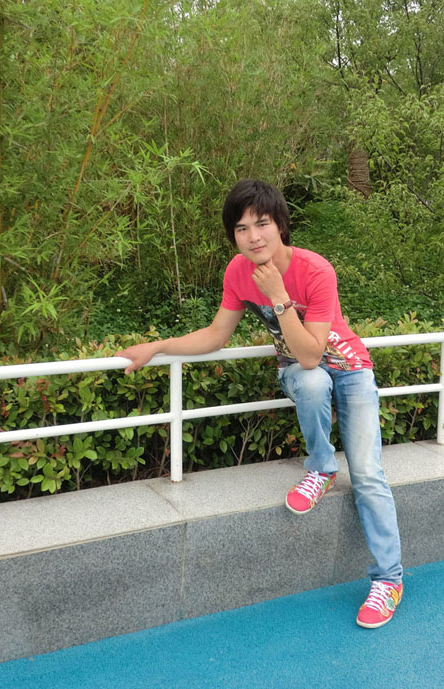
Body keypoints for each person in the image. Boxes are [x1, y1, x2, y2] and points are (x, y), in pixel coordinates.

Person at [117, 179, 403, 628]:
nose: (253, 237)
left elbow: (312, 352)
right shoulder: (237, 272)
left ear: (281, 225)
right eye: (241, 228)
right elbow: (217, 334)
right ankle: (322, 468)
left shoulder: (315, 270)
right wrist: (158, 346)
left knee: (367, 474)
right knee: (311, 383)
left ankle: (389, 580)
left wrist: (278, 297)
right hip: (303, 373)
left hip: (351, 369)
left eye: (262, 224)